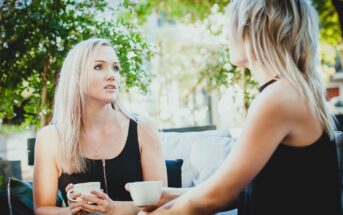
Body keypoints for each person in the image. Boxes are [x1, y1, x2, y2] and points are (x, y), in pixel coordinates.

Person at [135, 0, 341, 214]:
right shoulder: (292, 91)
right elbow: (242, 189)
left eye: (231, 27)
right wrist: (173, 196)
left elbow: (216, 196)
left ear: (252, 29)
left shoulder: (279, 98)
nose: (226, 37)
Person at [33, 38, 167, 215]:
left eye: (115, 68)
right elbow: (42, 209)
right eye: (99, 67)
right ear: (77, 76)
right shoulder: (50, 137)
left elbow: (163, 203)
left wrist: (115, 209)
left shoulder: (143, 128)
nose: (112, 75)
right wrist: (69, 212)